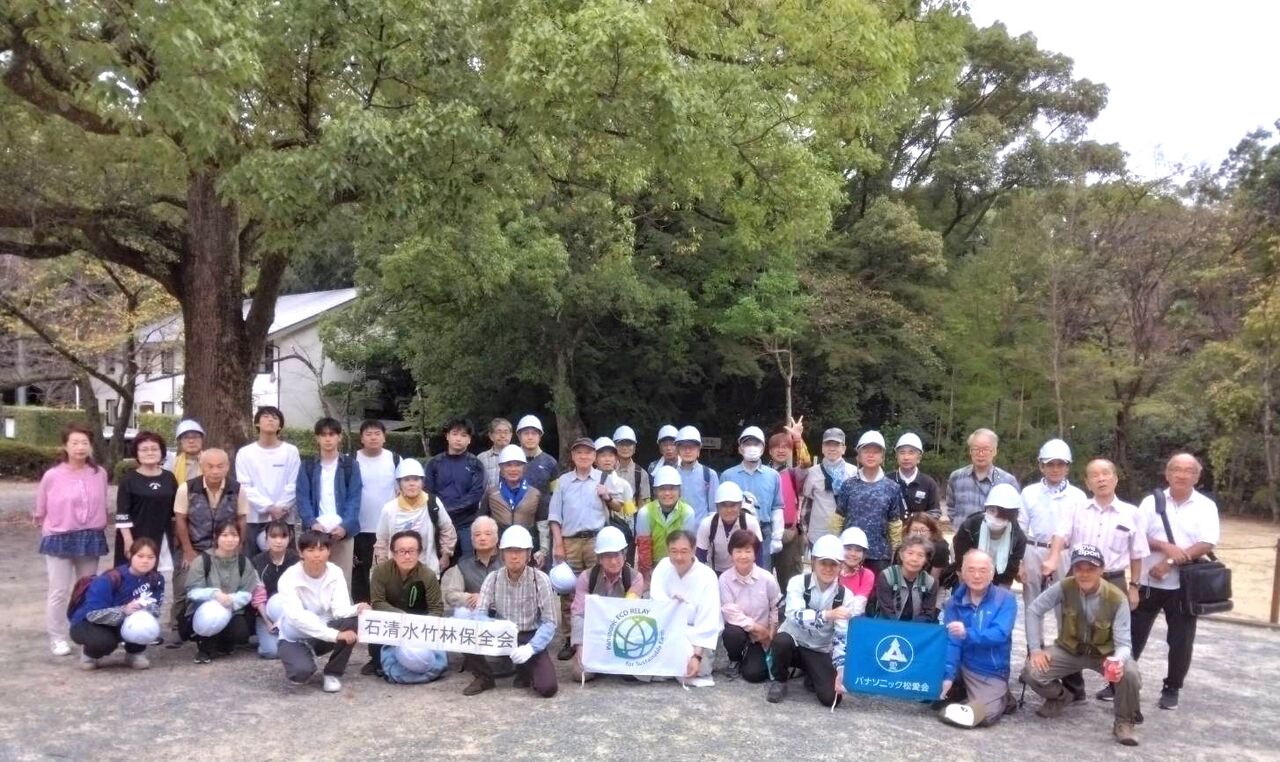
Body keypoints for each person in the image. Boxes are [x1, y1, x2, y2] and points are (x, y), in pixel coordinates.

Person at [1052, 457, 1150, 703]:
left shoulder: (1132, 513)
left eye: (1106, 473)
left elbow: (1137, 554)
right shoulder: (1076, 509)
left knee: (1116, 635)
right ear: (1087, 483)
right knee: (1070, 631)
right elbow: (1060, 536)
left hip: (1113, 580)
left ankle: (1120, 688)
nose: (1101, 479)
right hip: (1077, 578)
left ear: (1115, 478)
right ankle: (1073, 689)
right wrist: (1052, 558)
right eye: (1094, 475)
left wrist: (1134, 586)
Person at [1023, 544, 1141, 746]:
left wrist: (1117, 660)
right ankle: (1061, 697)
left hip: (1105, 654)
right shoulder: (1064, 586)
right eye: (1079, 568)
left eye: (1091, 569)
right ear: (1073, 569)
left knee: (1129, 673)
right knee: (1031, 671)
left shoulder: (1117, 598)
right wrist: (1035, 650)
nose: (1084, 574)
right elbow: (1034, 610)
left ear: (1101, 570)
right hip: (1070, 650)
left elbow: (1124, 644)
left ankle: (1124, 722)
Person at [1131, 453, 1220, 713]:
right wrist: (1164, 546)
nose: (1182, 475)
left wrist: (1170, 562)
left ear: (1197, 476)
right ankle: (1119, 683)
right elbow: (1138, 535)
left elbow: (1207, 542)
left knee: (1181, 641)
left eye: (1188, 470)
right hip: (1148, 580)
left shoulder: (1206, 506)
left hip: (1185, 585)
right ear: (1167, 474)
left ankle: (1172, 688)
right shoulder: (1151, 502)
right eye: (1176, 469)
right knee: (1133, 635)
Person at [35, 422, 109, 657]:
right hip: (59, 536)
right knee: (58, 590)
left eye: (84, 443)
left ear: (91, 446)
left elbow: (103, 502)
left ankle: (85, 633)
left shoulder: (99, 473)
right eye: (74, 443)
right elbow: (40, 508)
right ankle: (57, 637)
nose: (80, 447)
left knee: (87, 590)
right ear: (65, 446)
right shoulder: (52, 475)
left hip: (90, 537)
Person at [468, 525, 559, 697]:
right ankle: (483, 677)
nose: (514, 556)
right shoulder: (493, 578)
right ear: (502, 554)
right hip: (502, 633)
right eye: (509, 551)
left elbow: (550, 622)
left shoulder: (540, 579)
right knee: (467, 632)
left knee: (548, 687)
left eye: (519, 551)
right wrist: (492, 626)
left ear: (528, 553)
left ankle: (525, 670)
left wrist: (531, 648)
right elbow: (479, 614)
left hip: (529, 635)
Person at [276, 530, 368, 693]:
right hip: (295, 636)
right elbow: (297, 618)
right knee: (300, 674)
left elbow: (339, 610)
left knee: (354, 622)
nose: (317, 555)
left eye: (321, 549)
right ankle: (302, 656)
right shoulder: (288, 578)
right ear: (301, 553)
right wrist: (336, 635)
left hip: (324, 629)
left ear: (329, 551)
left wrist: (357, 608)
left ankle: (333, 673)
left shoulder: (335, 572)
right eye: (310, 550)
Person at [172, 448, 249, 637]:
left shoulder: (237, 489)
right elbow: (180, 520)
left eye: (220, 466)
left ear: (228, 467)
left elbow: (241, 519)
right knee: (183, 585)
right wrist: (188, 551)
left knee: (227, 587)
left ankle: (223, 628)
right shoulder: (187, 488)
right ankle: (178, 626)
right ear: (202, 466)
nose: (215, 471)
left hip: (225, 548)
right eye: (210, 466)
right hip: (194, 547)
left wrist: (238, 548)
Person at [936, 549, 1017, 729]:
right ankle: (960, 688)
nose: (977, 575)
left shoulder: (1006, 599)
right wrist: (948, 675)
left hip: (988, 668)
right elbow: (952, 642)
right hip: (961, 663)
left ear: (992, 573)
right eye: (971, 570)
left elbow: (1000, 634)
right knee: (929, 694)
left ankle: (1000, 696)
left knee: (983, 716)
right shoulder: (953, 603)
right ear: (962, 573)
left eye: (983, 570)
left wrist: (967, 633)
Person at [771, 535, 850, 705]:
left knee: (832, 699)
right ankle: (780, 680)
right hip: (794, 642)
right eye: (823, 563)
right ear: (813, 562)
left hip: (819, 650)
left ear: (841, 566)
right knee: (781, 641)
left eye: (833, 564)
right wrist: (828, 615)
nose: (828, 569)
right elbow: (795, 616)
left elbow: (841, 637)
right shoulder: (797, 582)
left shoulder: (846, 595)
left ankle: (810, 674)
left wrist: (840, 671)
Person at [549, 437, 609, 659]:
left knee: (598, 588)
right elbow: (554, 516)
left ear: (594, 456)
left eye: (588, 452)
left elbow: (620, 507)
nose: (584, 456)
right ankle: (570, 638)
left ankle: (597, 636)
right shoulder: (563, 482)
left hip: (596, 541)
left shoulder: (603, 478)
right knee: (569, 591)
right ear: (573, 456)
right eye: (579, 452)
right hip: (570, 542)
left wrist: (607, 495)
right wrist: (558, 544)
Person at [69, 537, 164, 670]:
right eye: (140, 556)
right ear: (130, 555)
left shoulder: (156, 579)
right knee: (104, 642)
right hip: (88, 623)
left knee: (145, 623)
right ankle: (89, 654)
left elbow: (156, 609)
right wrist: (123, 610)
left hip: (123, 621)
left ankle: (135, 652)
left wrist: (146, 609)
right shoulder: (109, 579)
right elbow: (92, 614)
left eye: (150, 557)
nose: (145, 561)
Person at [570, 526, 645, 682]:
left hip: (623, 637)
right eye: (607, 556)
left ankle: (612, 662)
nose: (613, 561)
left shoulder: (635, 578)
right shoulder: (586, 578)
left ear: (624, 554)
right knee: (580, 673)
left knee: (633, 673)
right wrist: (580, 646)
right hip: (596, 637)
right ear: (599, 558)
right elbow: (578, 614)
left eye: (617, 555)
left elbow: (632, 613)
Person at [371, 530, 448, 683]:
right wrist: (401, 617)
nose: (407, 556)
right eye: (402, 551)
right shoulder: (380, 571)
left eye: (412, 551)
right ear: (393, 553)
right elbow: (377, 602)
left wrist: (419, 626)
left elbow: (436, 609)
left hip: (420, 626)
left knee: (433, 660)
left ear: (419, 553)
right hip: (391, 624)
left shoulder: (428, 575)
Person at [440, 517, 510, 683]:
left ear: (497, 538)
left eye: (487, 534)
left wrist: (485, 598)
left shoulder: (507, 562)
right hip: (477, 616)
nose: (482, 538)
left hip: (503, 614)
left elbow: (515, 594)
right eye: (477, 535)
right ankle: (475, 661)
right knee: (461, 613)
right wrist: (468, 598)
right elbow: (450, 594)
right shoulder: (463, 565)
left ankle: (505, 658)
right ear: (472, 540)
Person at [1020, 439, 1087, 610]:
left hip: (1065, 554)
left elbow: (1080, 533)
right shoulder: (1029, 493)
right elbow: (1021, 528)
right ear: (1041, 466)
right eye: (1050, 464)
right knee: (1032, 606)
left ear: (1067, 467)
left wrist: (1078, 561)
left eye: (1060, 464)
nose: (1055, 469)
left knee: (1065, 605)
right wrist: (1020, 561)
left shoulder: (1078, 496)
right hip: (1034, 550)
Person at [297, 417, 364, 590]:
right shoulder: (307, 466)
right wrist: (312, 523)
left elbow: (354, 498)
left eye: (332, 434)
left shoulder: (350, 466)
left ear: (339, 437)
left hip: (342, 534)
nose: (328, 439)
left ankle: (341, 609)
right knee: (313, 580)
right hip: (315, 533)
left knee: (341, 581)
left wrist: (345, 526)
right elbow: (302, 497)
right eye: (323, 435)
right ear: (317, 438)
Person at [649, 530, 722, 688]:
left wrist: (696, 656)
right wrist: (673, 605)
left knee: (693, 666)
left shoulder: (707, 576)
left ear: (694, 550)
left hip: (696, 634)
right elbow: (656, 603)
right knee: (638, 659)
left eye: (684, 551)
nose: (679, 557)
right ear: (667, 550)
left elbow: (707, 622)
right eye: (674, 551)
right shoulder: (662, 567)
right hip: (667, 630)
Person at [183, 519, 259, 664]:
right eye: (224, 535)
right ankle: (204, 647)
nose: (230, 539)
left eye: (234, 535)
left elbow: (248, 591)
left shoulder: (244, 562)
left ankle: (224, 643)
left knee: (241, 634)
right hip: (206, 609)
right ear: (216, 537)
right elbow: (192, 591)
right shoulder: (202, 560)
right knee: (213, 614)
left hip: (233, 608)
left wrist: (232, 600)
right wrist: (214, 595)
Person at [834, 431, 905, 575]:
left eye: (876, 452)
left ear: (882, 456)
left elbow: (894, 523)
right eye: (866, 451)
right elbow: (839, 518)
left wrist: (896, 551)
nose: (871, 455)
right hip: (849, 552)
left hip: (879, 555)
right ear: (858, 456)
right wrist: (835, 544)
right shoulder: (848, 485)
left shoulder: (892, 487)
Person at [719, 529, 781, 683]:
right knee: (731, 633)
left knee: (754, 675)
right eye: (738, 551)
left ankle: (751, 656)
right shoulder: (724, 579)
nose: (743, 556)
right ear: (731, 553)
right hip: (741, 630)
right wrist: (755, 627)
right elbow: (730, 612)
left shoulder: (767, 578)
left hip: (762, 636)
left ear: (755, 554)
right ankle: (735, 659)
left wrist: (770, 634)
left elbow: (775, 607)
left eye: (748, 551)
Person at [373, 458, 456, 574]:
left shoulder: (433, 503)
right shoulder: (389, 509)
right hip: (396, 571)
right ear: (399, 483)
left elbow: (447, 529)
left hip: (427, 568)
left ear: (422, 482)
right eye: (406, 480)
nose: (411, 484)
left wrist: (446, 554)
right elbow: (382, 541)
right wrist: (383, 567)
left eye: (416, 479)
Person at [721, 426, 783, 572]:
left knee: (762, 572)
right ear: (740, 448)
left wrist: (777, 537)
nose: (752, 447)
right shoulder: (727, 475)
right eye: (748, 444)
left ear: (763, 448)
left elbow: (777, 507)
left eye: (756, 444)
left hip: (763, 531)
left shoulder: (773, 476)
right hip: (735, 530)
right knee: (734, 572)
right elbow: (720, 508)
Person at [113, 431, 178, 568]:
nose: (150, 453)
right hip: (135, 536)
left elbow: (175, 511)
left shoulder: (169, 477)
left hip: (161, 534)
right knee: (133, 573)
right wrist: (128, 540)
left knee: (158, 574)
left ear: (161, 452)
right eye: (144, 449)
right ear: (136, 453)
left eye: (154, 449)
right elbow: (122, 513)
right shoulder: (128, 479)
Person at [237, 406, 301, 544]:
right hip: (254, 519)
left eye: (275, 418)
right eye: (266, 416)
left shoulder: (291, 451)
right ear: (257, 423)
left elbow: (294, 483)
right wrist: (268, 507)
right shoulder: (245, 453)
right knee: (252, 556)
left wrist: (281, 508)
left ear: (280, 426)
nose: (270, 420)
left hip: (284, 517)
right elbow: (244, 486)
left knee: (285, 556)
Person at [424, 417, 486, 558]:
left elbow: (476, 494)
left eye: (464, 435)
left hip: (466, 523)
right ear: (447, 436)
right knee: (438, 561)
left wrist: (451, 509)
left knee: (468, 562)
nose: (459, 439)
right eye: (455, 434)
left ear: (469, 439)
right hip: (439, 522)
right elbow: (428, 492)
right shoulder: (434, 463)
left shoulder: (475, 464)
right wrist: (442, 511)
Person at [353, 419, 400, 604]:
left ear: (384, 437)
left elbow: (402, 491)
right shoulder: (351, 460)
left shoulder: (395, 459)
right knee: (360, 571)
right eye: (368, 434)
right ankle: (362, 608)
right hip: (360, 527)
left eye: (377, 433)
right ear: (361, 438)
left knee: (388, 570)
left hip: (388, 528)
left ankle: (386, 607)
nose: (373, 437)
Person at [949, 483, 1026, 589]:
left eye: (1000, 514)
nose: (994, 516)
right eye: (991, 510)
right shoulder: (970, 527)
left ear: (1011, 516)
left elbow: (1010, 573)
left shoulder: (1018, 538)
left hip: (1001, 579)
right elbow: (961, 560)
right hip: (970, 575)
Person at [764, 418, 811, 590]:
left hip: (789, 534)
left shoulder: (793, 474)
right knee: (763, 579)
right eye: (777, 447)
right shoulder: (762, 473)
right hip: (765, 532)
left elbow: (806, 463)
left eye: (786, 447)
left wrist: (798, 439)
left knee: (791, 582)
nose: (781, 450)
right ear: (769, 451)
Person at [481, 444, 547, 563]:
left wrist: (543, 551)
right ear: (501, 469)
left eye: (517, 465)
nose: (513, 469)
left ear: (524, 468)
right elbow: (481, 522)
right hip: (499, 549)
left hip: (528, 548)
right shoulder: (491, 493)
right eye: (508, 465)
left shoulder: (535, 493)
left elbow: (543, 524)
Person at [634, 465, 697, 578]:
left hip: (678, 564)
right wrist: (648, 573)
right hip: (653, 566)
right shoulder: (645, 513)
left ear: (679, 490)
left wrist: (682, 572)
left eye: (672, 488)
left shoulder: (687, 512)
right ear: (655, 491)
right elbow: (644, 547)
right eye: (662, 489)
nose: (667, 493)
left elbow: (686, 545)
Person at [945, 428, 1019, 525]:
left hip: (995, 534)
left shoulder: (1008, 481)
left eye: (986, 449)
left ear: (995, 451)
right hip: (963, 533)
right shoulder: (956, 477)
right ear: (970, 451)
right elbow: (951, 508)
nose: (980, 453)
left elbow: (1015, 512)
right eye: (976, 449)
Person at [250, 519, 299, 659]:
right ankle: (264, 640)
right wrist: (268, 622)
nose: (278, 541)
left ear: (289, 538)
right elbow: (258, 597)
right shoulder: (257, 561)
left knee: (300, 646)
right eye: (273, 536)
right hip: (266, 615)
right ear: (266, 538)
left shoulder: (296, 560)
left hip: (291, 614)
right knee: (271, 652)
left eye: (283, 536)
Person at [695, 481, 763, 575]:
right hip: (715, 571)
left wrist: (757, 577)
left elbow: (758, 555)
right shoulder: (707, 524)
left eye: (733, 505)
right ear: (717, 507)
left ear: (740, 505)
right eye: (724, 505)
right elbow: (700, 557)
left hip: (743, 571)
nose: (729, 510)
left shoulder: (750, 523)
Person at [800, 427, 852, 547]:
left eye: (836, 445)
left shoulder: (853, 472)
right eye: (828, 444)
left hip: (845, 535)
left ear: (844, 449)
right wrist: (804, 531)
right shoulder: (812, 472)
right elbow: (807, 504)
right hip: (818, 535)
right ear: (822, 448)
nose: (832, 448)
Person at [872, 536, 939, 622]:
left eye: (920, 555)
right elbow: (886, 611)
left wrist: (910, 627)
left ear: (926, 560)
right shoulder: (886, 576)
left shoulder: (930, 582)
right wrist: (899, 627)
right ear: (901, 555)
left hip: (916, 627)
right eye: (910, 553)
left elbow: (927, 613)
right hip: (887, 624)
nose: (914, 559)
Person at [514, 414, 558, 539]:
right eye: (526, 433)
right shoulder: (511, 460)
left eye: (534, 433)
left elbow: (556, 494)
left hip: (544, 522)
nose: (530, 437)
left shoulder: (550, 462)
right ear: (519, 436)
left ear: (540, 436)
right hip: (517, 520)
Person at [673, 426, 718, 523]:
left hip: (701, 529)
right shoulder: (672, 474)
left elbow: (714, 510)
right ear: (678, 449)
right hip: (677, 529)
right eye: (683, 447)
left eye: (692, 447)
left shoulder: (709, 474)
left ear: (699, 449)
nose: (687, 451)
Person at [891, 432, 942, 518]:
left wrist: (917, 520)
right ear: (896, 456)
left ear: (919, 457)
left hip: (919, 527)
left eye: (911, 453)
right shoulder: (887, 480)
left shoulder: (928, 483)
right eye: (902, 452)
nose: (906, 457)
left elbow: (935, 512)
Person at [902, 512, 950, 584]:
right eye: (914, 530)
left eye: (923, 530)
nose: (918, 534)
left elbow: (934, 579)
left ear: (931, 532)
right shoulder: (904, 545)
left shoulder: (940, 548)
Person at [836, 527, 875, 611]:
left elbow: (858, 607)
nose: (853, 553)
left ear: (863, 554)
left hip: (854, 617)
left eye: (858, 550)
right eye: (848, 548)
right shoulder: (831, 571)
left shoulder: (866, 575)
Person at [612, 425, 651, 507]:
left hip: (632, 514)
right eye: (621, 444)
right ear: (614, 446)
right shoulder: (606, 471)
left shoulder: (641, 474)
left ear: (634, 448)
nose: (625, 448)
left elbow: (644, 505)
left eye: (629, 444)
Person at [164, 418, 204, 484]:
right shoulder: (172, 464)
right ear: (180, 442)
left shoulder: (212, 461)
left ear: (202, 440)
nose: (191, 441)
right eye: (186, 437)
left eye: (195, 437)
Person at [477, 417, 514, 489]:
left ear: (511, 435)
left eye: (506, 432)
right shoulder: (481, 458)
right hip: (489, 496)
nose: (502, 436)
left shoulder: (519, 455)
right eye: (498, 432)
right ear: (491, 436)